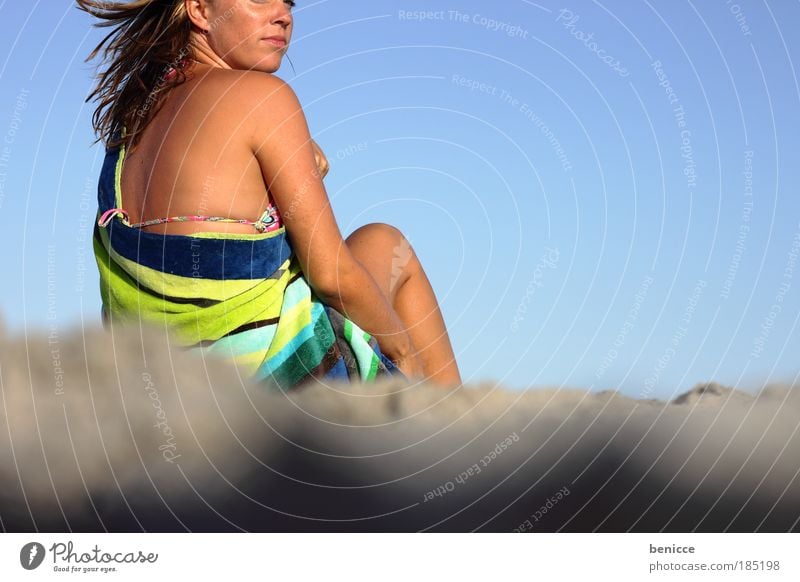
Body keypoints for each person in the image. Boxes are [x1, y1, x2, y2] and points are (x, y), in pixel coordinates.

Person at [80, 0, 462, 389]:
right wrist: (403, 355)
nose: (284, 15)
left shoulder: (128, 126)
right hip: (276, 390)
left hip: (161, 394)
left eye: (289, 3)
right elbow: (331, 275)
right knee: (387, 243)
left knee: (368, 246)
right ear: (198, 9)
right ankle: (454, 423)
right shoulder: (263, 98)